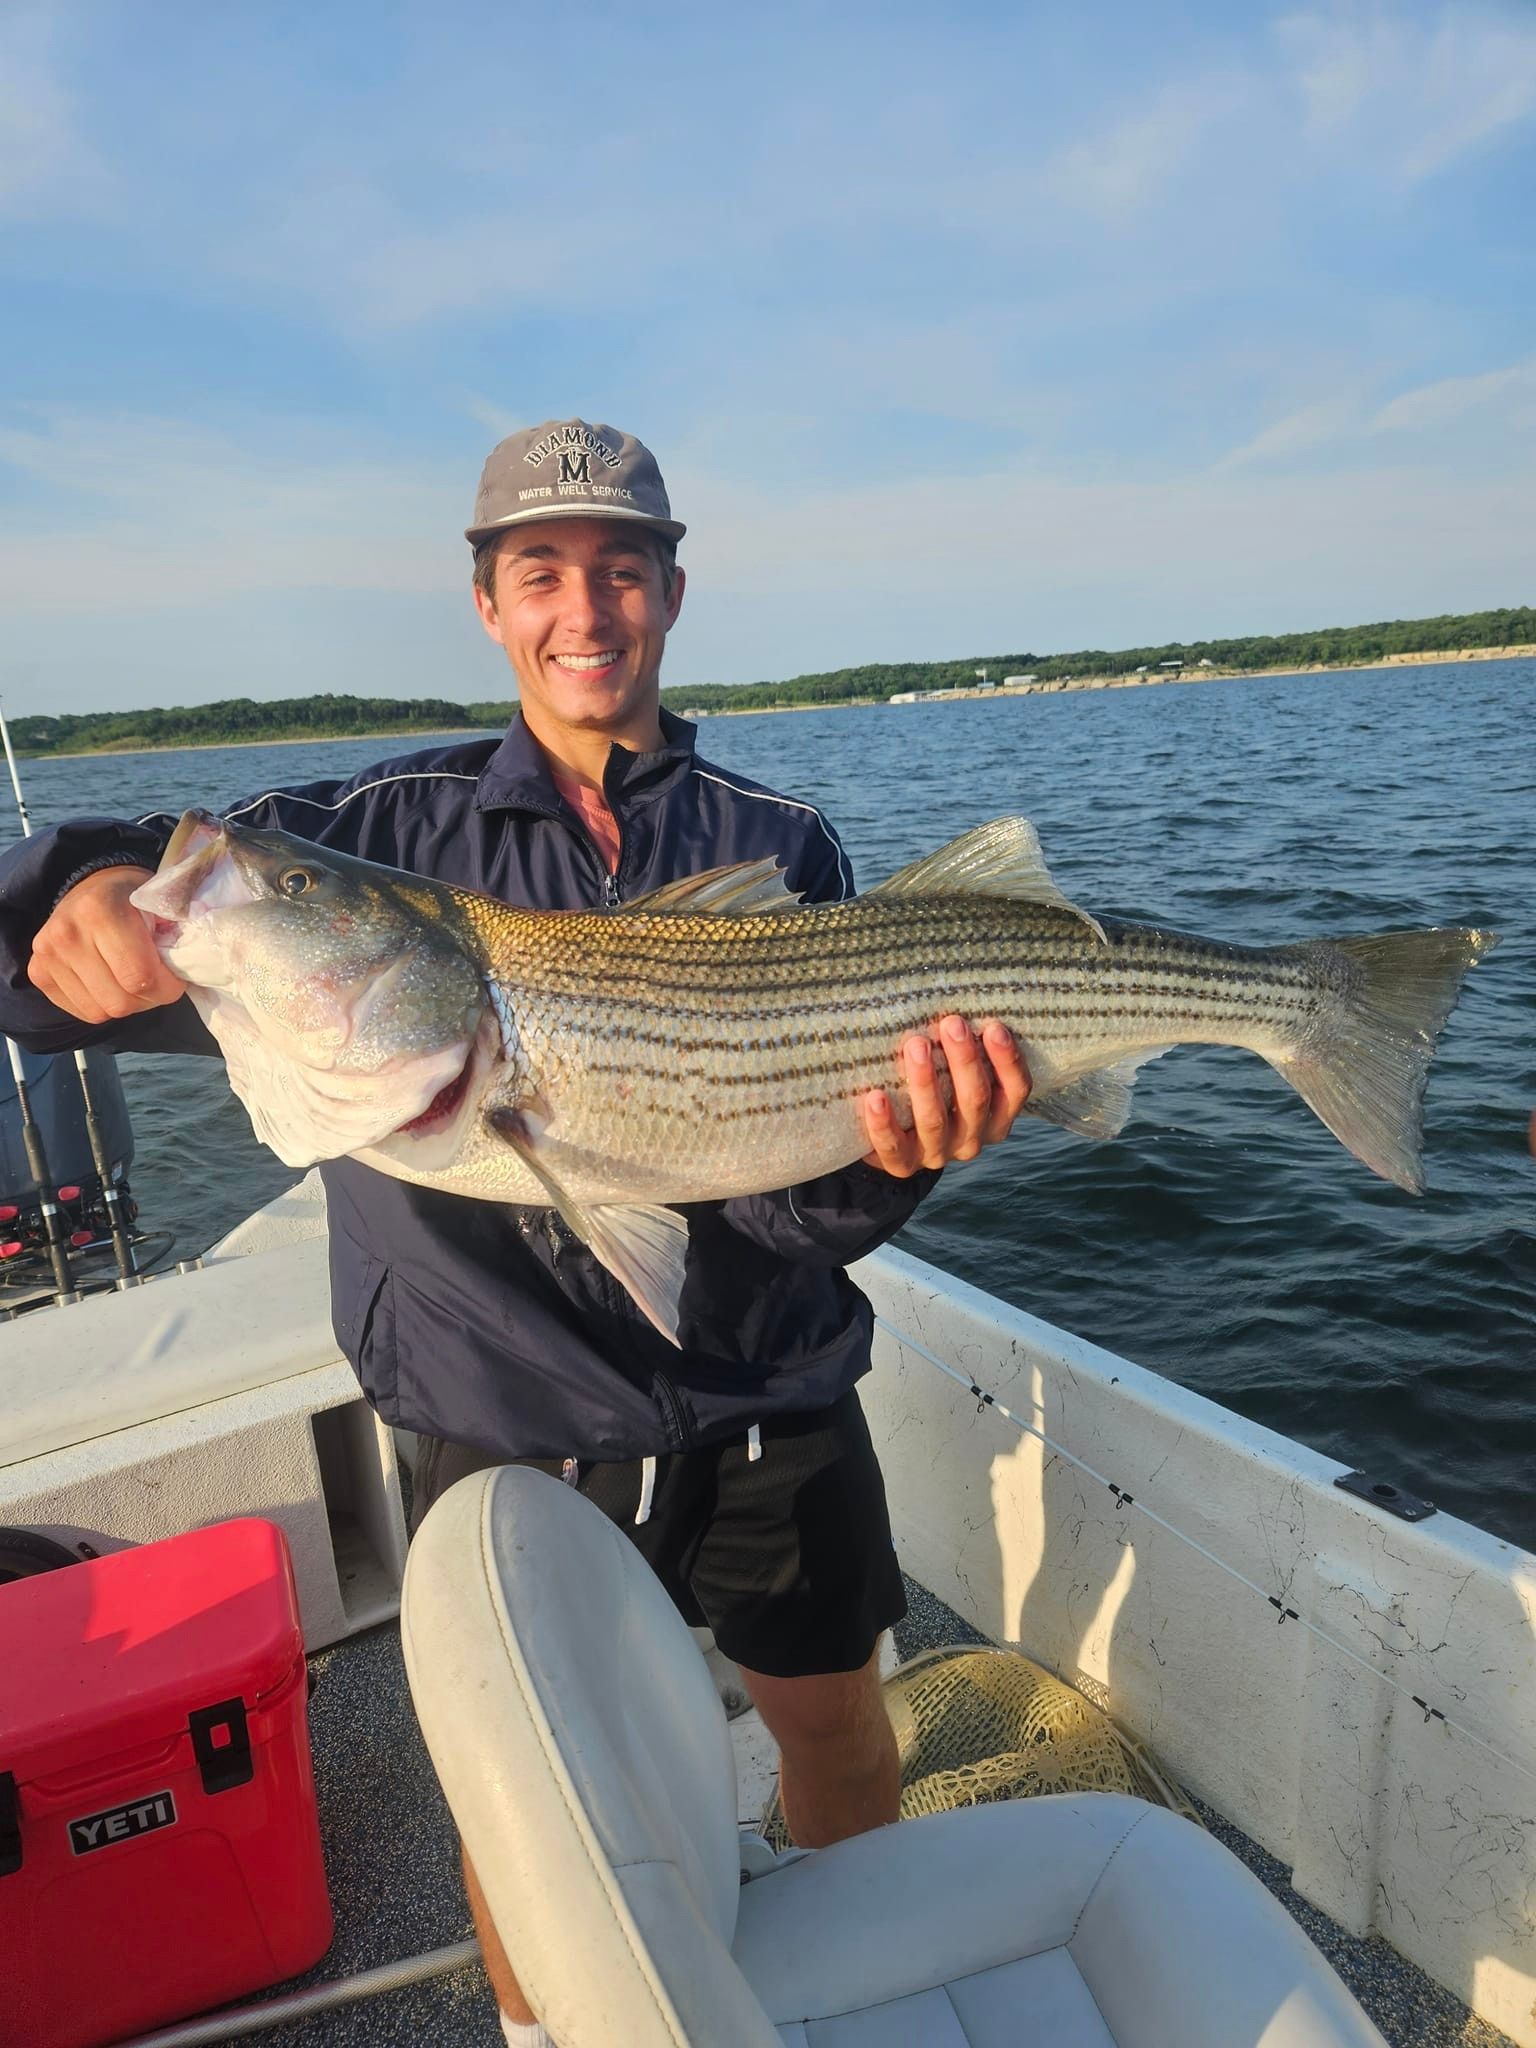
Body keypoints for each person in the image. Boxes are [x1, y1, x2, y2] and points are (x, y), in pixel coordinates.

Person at [0, 419, 1030, 2046]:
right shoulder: (379, 829)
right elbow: (108, 920)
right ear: (486, 602)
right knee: (526, 1813)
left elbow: (804, 1199)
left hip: (769, 1390)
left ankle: (859, 1994)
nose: (585, 610)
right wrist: (84, 880)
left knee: (835, 1728)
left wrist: (903, 1157)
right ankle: (538, 2031)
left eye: (622, 570)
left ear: (673, 595)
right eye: (540, 572)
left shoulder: (785, 845)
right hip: (500, 1421)